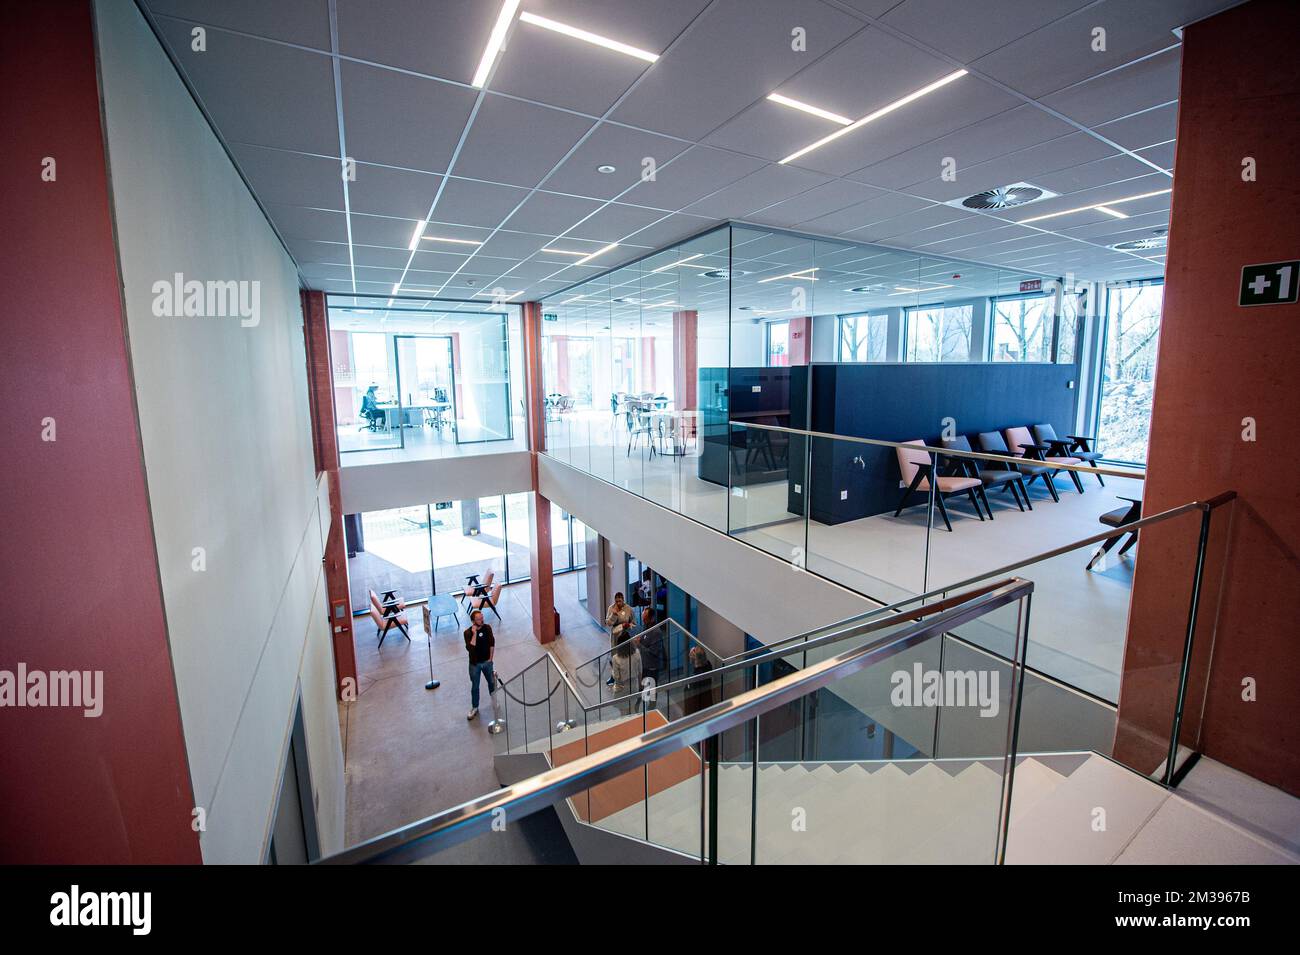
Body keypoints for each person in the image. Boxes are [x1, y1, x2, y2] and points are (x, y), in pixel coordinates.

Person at [462, 610, 496, 721]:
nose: (482, 620)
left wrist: (490, 659)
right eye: (479, 619)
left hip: (487, 662)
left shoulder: (487, 628)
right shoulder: (467, 633)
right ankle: (475, 707)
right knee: (475, 687)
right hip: (475, 664)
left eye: (482, 618)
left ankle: (494, 700)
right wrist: (475, 633)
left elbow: (492, 643)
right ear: (473, 621)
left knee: (491, 682)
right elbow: (470, 649)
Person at [610, 637, 642, 716]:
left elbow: (617, 677)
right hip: (634, 685)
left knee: (623, 713)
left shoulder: (615, 658)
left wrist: (612, 672)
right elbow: (640, 671)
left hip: (622, 688)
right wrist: (640, 684)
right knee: (632, 709)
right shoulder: (637, 653)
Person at [636, 606, 664, 690]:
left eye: (645, 619)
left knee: (651, 694)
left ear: (651, 618)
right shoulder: (646, 626)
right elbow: (644, 639)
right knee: (643, 690)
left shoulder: (656, 632)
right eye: (642, 619)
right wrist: (640, 640)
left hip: (652, 668)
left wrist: (639, 644)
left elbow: (653, 652)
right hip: (644, 665)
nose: (643, 621)